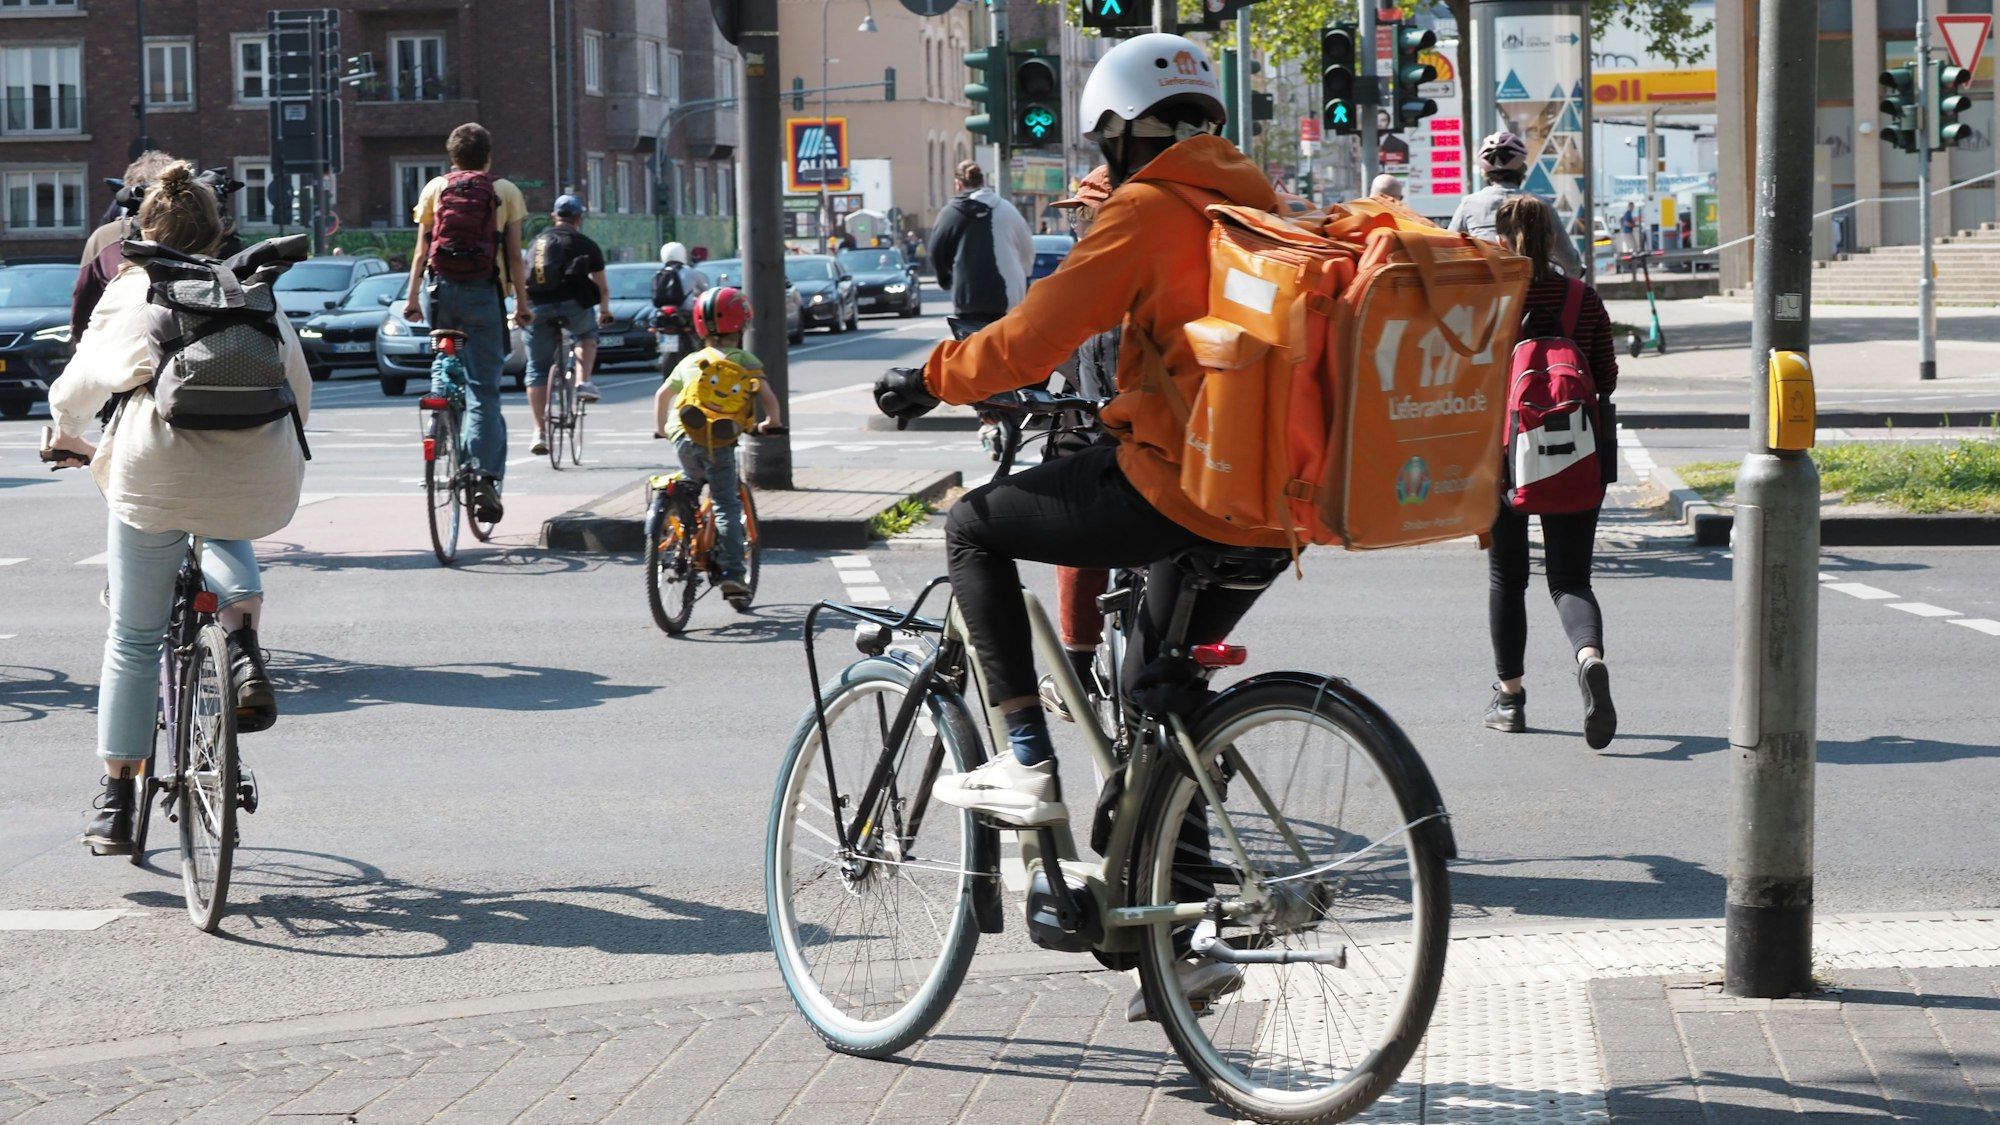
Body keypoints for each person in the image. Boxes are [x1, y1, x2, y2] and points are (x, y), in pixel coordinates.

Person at [41, 162, 311, 855]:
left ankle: (117, 802)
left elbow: (80, 383)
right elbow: (298, 389)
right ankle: (242, 642)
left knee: (133, 638)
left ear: (146, 226)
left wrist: (63, 429)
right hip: (257, 470)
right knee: (227, 510)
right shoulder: (251, 287)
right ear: (218, 229)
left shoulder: (137, 287)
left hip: (155, 473)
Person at [1483, 195, 1619, 750]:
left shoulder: (1488, 296)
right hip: (1576, 454)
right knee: (1569, 579)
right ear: (1554, 238)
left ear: (1499, 240)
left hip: (1501, 456)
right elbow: (1606, 377)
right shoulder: (1582, 297)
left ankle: (1510, 699)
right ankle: (1589, 658)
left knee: (1506, 580)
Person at [402, 122, 532, 523]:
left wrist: (411, 298)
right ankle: (485, 480)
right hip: (484, 293)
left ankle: (439, 404)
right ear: (488, 157)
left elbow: (422, 251)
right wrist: (522, 304)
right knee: (484, 392)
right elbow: (513, 257)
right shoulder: (504, 191)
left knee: (446, 355)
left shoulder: (436, 188)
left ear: (452, 156)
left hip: (441, 293)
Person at [1036, 164, 1119, 720]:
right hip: (1203, 464)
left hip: (1119, 454)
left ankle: (1076, 668)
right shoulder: (1185, 256)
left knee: (1068, 516)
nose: (1077, 227)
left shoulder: (1093, 267)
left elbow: (1036, 341)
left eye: (1082, 215)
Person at [655, 287, 783, 600]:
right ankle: (732, 575)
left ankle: (678, 519)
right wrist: (772, 423)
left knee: (691, 481)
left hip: (684, 435)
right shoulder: (745, 360)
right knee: (726, 504)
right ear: (742, 325)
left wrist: (661, 429)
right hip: (720, 440)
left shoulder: (691, 361)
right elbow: (767, 397)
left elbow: (662, 396)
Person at [523, 194, 615, 455]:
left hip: (536, 305)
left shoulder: (537, 242)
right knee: (586, 333)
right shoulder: (585, 243)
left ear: (554, 216)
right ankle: (583, 382)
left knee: (537, 369)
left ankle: (539, 432)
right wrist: (604, 311)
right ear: (579, 219)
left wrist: (522, 308)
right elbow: (602, 287)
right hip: (572, 304)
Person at [1448, 132, 1584, 277]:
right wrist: (1575, 271)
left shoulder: (1469, 204)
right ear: (1522, 170)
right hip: (1533, 287)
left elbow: (1447, 249)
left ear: (1485, 173)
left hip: (1484, 292)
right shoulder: (1540, 205)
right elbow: (1569, 261)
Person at [928, 159, 1034, 325]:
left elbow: (936, 252)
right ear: (983, 182)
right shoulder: (1008, 210)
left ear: (958, 185)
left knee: (973, 348)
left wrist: (947, 280)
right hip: (1008, 297)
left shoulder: (949, 214)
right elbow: (1027, 250)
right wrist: (1024, 276)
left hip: (969, 297)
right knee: (1006, 348)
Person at [651, 241, 710, 364]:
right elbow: (705, 291)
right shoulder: (690, 272)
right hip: (684, 312)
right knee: (700, 331)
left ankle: (660, 349)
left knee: (659, 327)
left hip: (663, 313)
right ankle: (702, 355)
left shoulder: (658, 273)